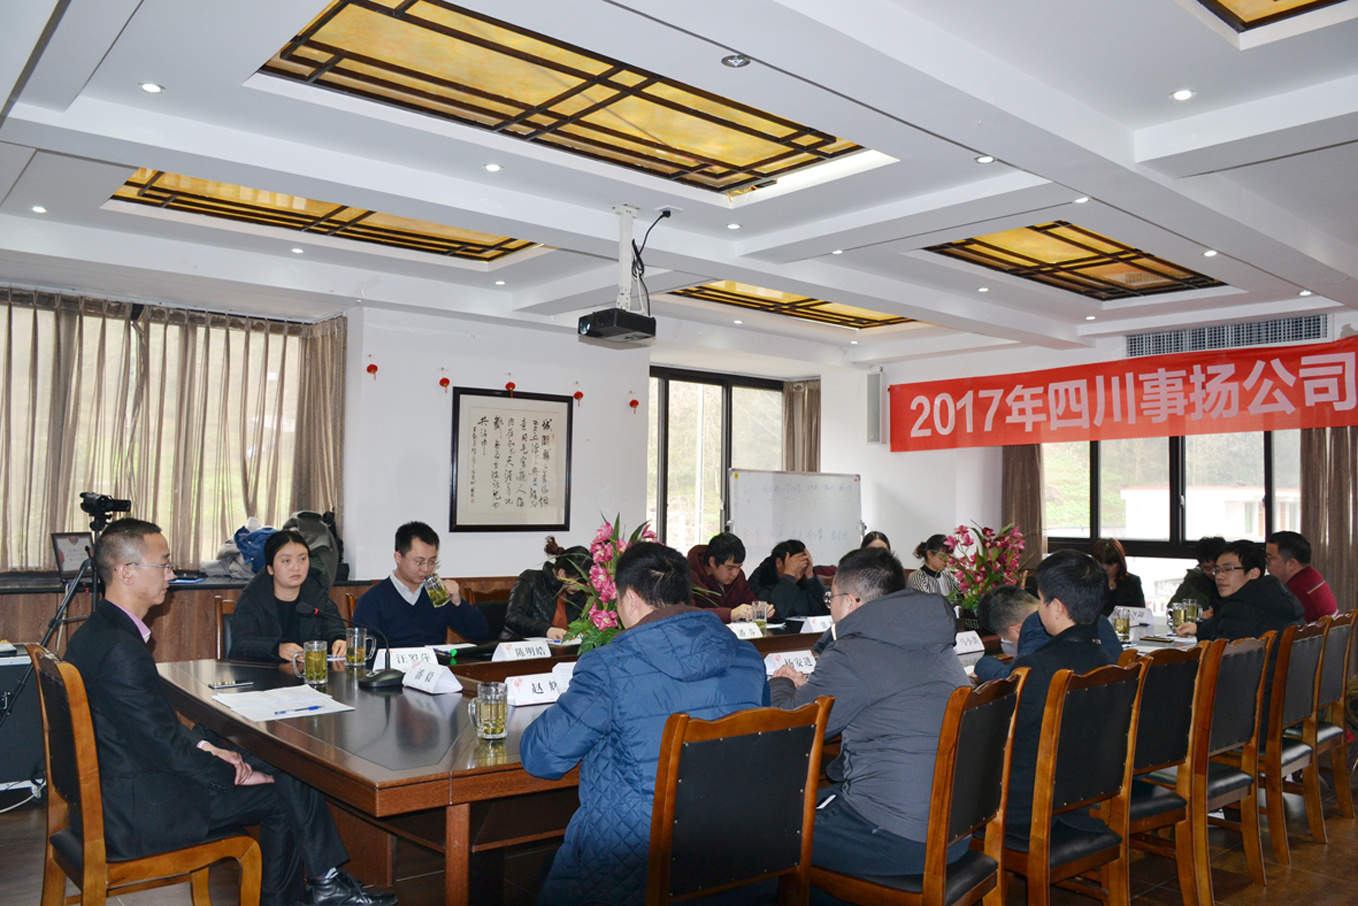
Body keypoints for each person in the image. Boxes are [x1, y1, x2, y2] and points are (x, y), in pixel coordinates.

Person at [63, 518, 396, 906]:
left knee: (278, 762)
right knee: (288, 779)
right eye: (164, 564)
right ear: (126, 572)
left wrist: (208, 747)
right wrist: (233, 771)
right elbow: (165, 747)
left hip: (119, 790)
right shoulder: (122, 650)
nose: (171, 575)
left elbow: (151, 730)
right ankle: (313, 889)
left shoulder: (94, 632)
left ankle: (322, 885)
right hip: (141, 811)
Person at [520, 541, 768, 906]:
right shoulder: (747, 657)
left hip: (632, 867)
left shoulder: (609, 667)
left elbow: (541, 757)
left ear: (631, 599)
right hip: (735, 858)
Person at [769, 547, 970, 879]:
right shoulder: (934, 637)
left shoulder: (853, 651)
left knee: (767, 827)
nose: (830, 607)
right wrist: (815, 688)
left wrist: (781, 683)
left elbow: (790, 726)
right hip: (956, 829)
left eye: (831, 598)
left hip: (897, 837)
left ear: (851, 603)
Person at [1005, 550, 1118, 844]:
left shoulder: (1036, 668)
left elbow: (1002, 737)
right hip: (1081, 802)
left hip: (1027, 810)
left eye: (1040, 600)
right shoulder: (1109, 662)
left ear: (1056, 607)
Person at [351, 521, 489, 647]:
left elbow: (481, 635)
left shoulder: (437, 594)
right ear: (398, 557)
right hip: (392, 666)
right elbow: (365, 651)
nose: (426, 569)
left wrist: (458, 603)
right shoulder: (372, 600)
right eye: (419, 562)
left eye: (432, 562)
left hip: (435, 665)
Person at [229, 530, 346, 663]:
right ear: (270, 568)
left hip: (308, 673)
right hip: (264, 673)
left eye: (302, 559)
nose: (296, 567)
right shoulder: (252, 599)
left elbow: (333, 627)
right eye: (286, 561)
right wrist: (277, 649)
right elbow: (242, 644)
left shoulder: (316, 594)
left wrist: (339, 640)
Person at [973, 583, 1123, 682]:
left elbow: (1016, 679)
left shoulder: (1035, 626)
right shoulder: (1087, 615)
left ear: (1016, 631)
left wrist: (983, 663)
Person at [1176, 540, 1304, 641]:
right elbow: (1221, 624)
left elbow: (1220, 656)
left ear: (1253, 573)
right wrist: (1199, 628)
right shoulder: (1274, 596)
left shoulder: (1240, 610)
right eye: (1217, 570)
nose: (1219, 576)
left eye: (1228, 569)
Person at [504, 536, 592, 640]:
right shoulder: (531, 579)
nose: (581, 588)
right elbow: (513, 617)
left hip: (563, 647)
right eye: (578, 582)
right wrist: (547, 630)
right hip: (520, 644)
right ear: (562, 573)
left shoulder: (579, 594)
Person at [1266, 531, 1338, 623]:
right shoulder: (1311, 576)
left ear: (1291, 564)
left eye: (1270, 558)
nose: (1267, 563)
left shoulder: (1295, 593)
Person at [748, 538, 828, 621]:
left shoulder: (804, 578)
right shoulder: (762, 578)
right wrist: (789, 577)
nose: (798, 571)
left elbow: (824, 611)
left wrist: (811, 577)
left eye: (802, 566)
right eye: (794, 566)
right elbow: (774, 614)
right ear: (778, 563)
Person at [686, 531, 756, 623]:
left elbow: (750, 601)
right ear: (712, 562)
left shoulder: (739, 577)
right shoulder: (688, 577)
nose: (735, 573)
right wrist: (730, 614)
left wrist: (761, 611)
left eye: (739, 567)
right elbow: (689, 614)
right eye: (730, 568)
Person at [1168, 536, 1226, 610]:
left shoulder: (1232, 579)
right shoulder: (1194, 578)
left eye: (1216, 568)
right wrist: (1198, 613)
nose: (1213, 572)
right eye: (1207, 568)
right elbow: (1172, 606)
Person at [1091, 538, 1144, 616]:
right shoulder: (1089, 582)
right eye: (1100, 563)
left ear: (1120, 563)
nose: (1105, 568)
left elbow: (1141, 614)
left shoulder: (1132, 582)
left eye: (1110, 564)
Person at [905, 533, 959, 599]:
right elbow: (924, 601)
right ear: (929, 554)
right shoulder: (917, 577)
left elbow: (962, 597)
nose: (947, 561)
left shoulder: (949, 576)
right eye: (943, 556)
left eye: (949, 557)